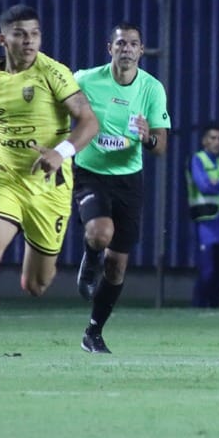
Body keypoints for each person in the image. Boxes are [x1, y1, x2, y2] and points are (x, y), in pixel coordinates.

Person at [0, 4, 98, 378]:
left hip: (50, 189)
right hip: (7, 181)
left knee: (37, 284)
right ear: (3, 39)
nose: (29, 40)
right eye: (20, 33)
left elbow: (89, 121)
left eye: (34, 33)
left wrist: (61, 152)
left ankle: (33, 268)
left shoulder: (53, 73)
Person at [72, 22, 170, 353]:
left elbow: (161, 146)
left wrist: (148, 137)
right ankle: (89, 260)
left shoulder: (152, 89)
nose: (126, 48)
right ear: (109, 48)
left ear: (142, 51)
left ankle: (93, 332)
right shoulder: (85, 79)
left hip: (129, 179)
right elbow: (57, 106)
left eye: (133, 44)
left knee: (117, 266)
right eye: (120, 43)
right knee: (100, 233)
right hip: (90, 172)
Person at [185, 123, 219, 307]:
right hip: (206, 222)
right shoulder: (197, 159)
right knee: (207, 270)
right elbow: (203, 186)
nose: (217, 142)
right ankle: (198, 306)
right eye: (213, 138)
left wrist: (218, 184)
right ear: (204, 140)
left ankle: (215, 306)